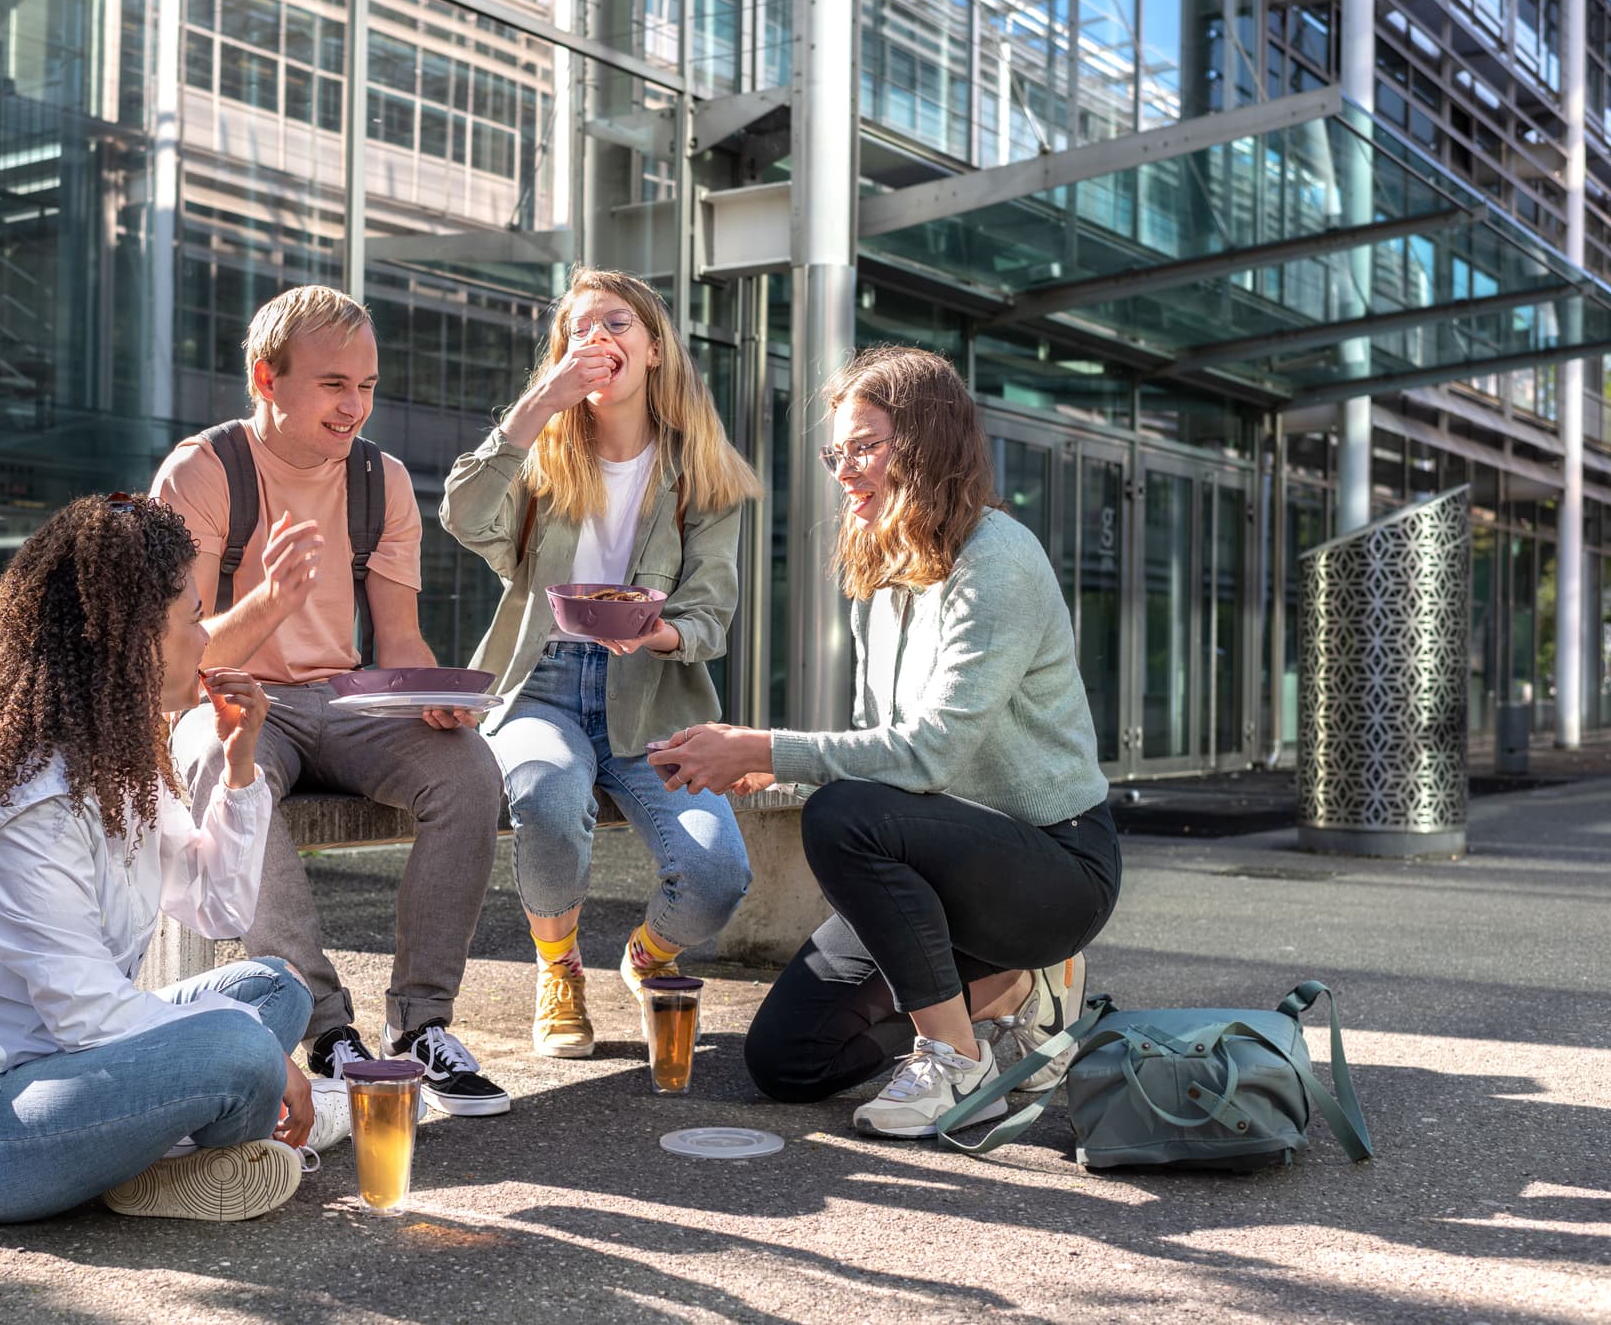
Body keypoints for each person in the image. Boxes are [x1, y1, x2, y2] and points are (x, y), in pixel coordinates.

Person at [646, 347, 1122, 1139]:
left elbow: (930, 752)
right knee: (787, 1061)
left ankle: (955, 1059)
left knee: (842, 815)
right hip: (939, 864)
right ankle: (1013, 999)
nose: (844, 469)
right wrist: (771, 772)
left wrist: (766, 748)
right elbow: (882, 741)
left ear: (928, 441)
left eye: (863, 447)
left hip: (1053, 867)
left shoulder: (997, 557)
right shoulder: (882, 569)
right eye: (838, 452)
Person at [0, 492, 336, 1224]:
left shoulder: (114, 766)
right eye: (193, 616)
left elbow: (218, 907)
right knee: (242, 1050)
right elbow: (90, 1015)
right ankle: (171, 1154)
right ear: (132, 639)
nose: (207, 637)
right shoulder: (24, 813)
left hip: (55, 1062)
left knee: (277, 991)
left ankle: (148, 1162)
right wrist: (262, 1062)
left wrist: (241, 766)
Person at [150, 285, 509, 1117]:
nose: (355, 407)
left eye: (368, 386)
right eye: (333, 384)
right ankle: (324, 1027)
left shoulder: (381, 481)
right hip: (229, 697)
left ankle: (423, 1023)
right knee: (209, 749)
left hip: (343, 701)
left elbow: (401, 640)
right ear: (266, 379)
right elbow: (180, 663)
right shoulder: (201, 473)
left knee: (468, 769)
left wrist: (432, 695)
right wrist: (271, 603)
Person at [441, 269, 761, 1059]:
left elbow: (711, 612)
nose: (597, 339)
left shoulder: (705, 470)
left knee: (718, 876)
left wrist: (653, 633)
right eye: (579, 330)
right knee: (547, 799)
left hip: (655, 698)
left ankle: (647, 954)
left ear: (653, 350)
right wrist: (535, 407)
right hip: (541, 683)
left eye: (616, 323)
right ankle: (559, 967)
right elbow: (461, 513)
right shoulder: (543, 455)